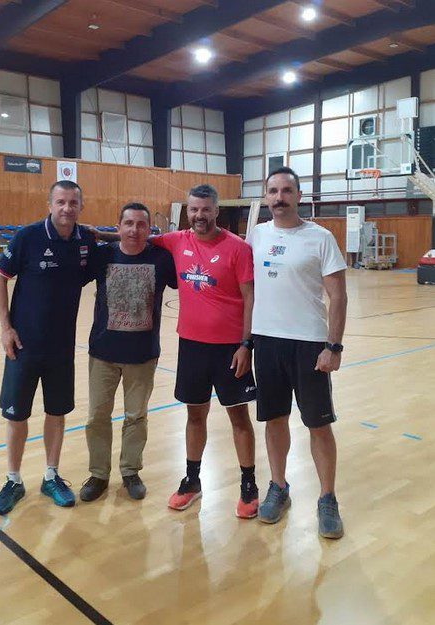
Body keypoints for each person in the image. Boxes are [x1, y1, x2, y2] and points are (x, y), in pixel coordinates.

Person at [247, 166, 348, 539]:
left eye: (286, 190)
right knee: (274, 420)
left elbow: (338, 296)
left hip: (309, 345)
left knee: (318, 424)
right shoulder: (256, 235)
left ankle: (327, 498)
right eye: (273, 191)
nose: (279, 197)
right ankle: (278, 487)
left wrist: (333, 347)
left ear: (299, 196)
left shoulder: (320, 238)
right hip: (266, 342)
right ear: (266, 196)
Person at [152, 184, 259, 519]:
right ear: (188, 211)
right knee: (194, 415)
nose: (199, 215)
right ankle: (192, 480)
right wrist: (98, 234)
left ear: (216, 211)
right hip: (192, 346)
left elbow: (250, 298)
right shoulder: (176, 240)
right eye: (194, 209)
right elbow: (136, 237)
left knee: (238, 418)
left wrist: (246, 345)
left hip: (230, 350)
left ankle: (248, 484)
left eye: (205, 209)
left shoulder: (238, 248)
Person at [0, 180, 96, 515]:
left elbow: (109, 251)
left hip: (61, 348)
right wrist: (6, 328)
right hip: (23, 346)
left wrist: (107, 235)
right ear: (49, 204)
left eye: (73, 203)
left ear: (81, 207)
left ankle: (51, 476)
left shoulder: (85, 241)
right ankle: (13, 480)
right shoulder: (28, 237)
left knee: (57, 412)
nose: (67, 208)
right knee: (17, 415)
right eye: (61, 202)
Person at [79, 203, 177, 502]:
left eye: (141, 224)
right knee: (97, 416)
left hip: (143, 355)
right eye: (129, 223)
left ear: (149, 229)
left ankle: (130, 471)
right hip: (103, 353)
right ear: (118, 226)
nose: (134, 230)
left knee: (136, 417)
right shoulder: (102, 256)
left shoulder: (161, 259)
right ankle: (98, 474)